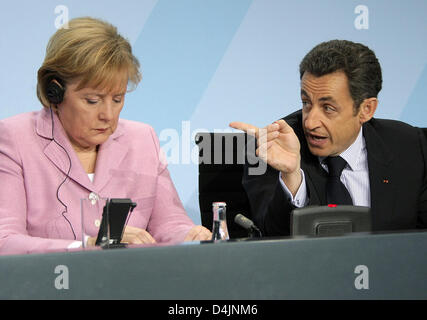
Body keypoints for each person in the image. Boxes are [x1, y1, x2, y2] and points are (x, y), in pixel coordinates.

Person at [0, 17, 211, 255]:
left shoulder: (143, 139)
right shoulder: (14, 138)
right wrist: (87, 245)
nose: (108, 115)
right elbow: (5, 241)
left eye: (118, 99)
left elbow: (170, 224)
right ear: (55, 91)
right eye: (93, 100)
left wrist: (190, 235)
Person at [230, 40, 427, 236]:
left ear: (366, 110)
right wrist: (291, 176)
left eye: (328, 108)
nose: (310, 122)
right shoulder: (274, 148)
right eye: (306, 102)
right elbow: (269, 240)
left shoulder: (410, 146)